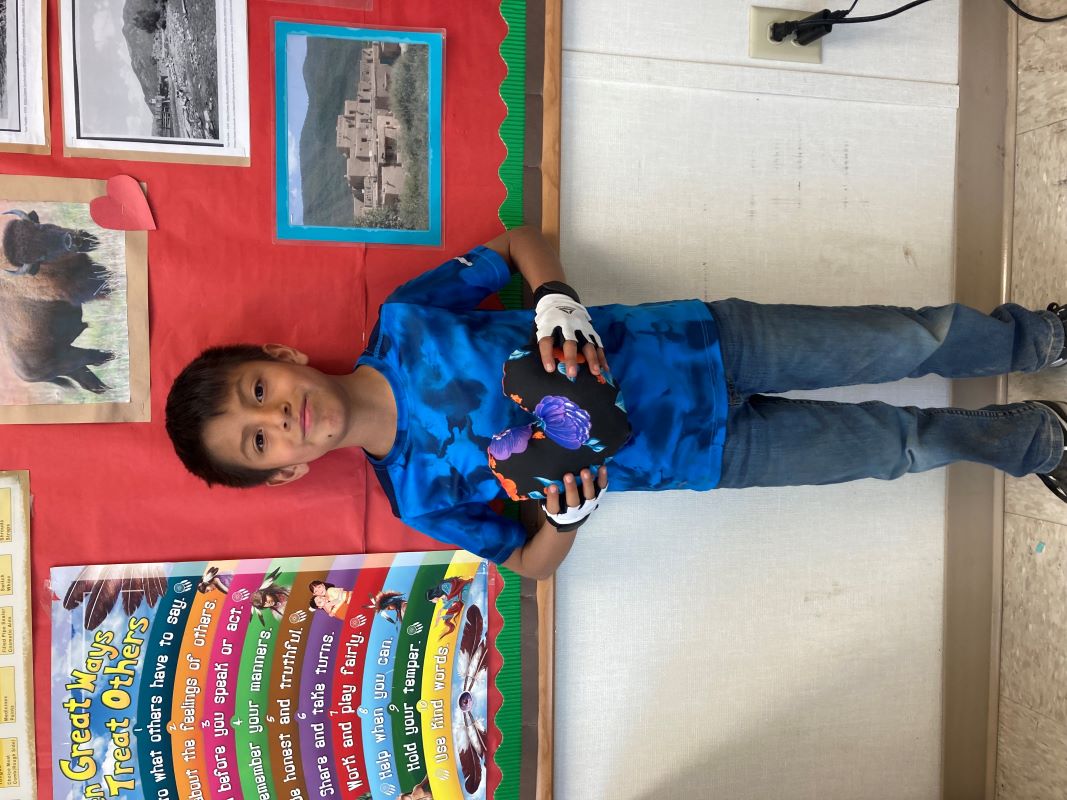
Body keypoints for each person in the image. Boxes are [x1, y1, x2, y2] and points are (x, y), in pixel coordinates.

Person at [165, 226, 1067, 579]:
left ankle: (1036, 339)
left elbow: (518, 242)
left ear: (280, 360)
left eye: (257, 392)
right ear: (284, 473)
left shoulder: (406, 322)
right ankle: (1030, 440)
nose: (277, 418)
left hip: (703, 340)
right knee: (893, 447)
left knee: (905, 337)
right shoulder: (418, 494)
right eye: (256, 441)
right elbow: (527, 566)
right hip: (704, 457)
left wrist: (553, 294)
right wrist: (569, 513)